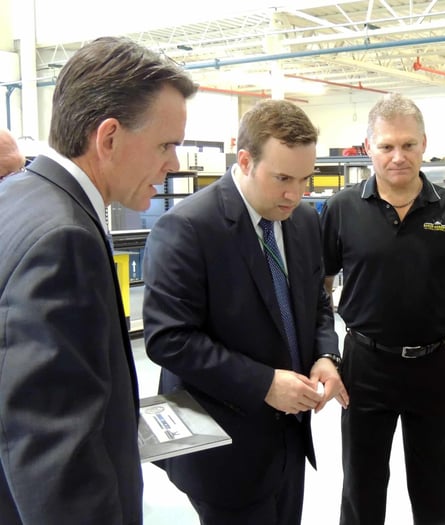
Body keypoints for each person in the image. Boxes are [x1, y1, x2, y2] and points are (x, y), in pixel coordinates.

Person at [0, 36, 196, 524]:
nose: (173, 165)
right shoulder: (65, 239)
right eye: (165, 145)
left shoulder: (19, 196)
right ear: (108, 138)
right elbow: (57, 458)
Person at [142, 99, 348, 525]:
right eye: (282, 178)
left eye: (305, 179)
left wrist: (326, 356)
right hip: (225, 449)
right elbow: (169, 339)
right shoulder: (188, 228)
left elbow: (317, 303)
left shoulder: (305, 220)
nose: (296, 193)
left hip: (289, 440)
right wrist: (264, 383)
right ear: (245, 160)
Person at [320, 92, 445, 525]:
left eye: (408, 145)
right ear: (368, 148)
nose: (398, 156)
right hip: (364, 366)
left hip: (434, 367)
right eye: (386, 146)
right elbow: (318, 289)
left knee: (434, 490)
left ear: (424, 144)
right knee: (361, 490)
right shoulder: (342, 209)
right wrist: (323, 354)